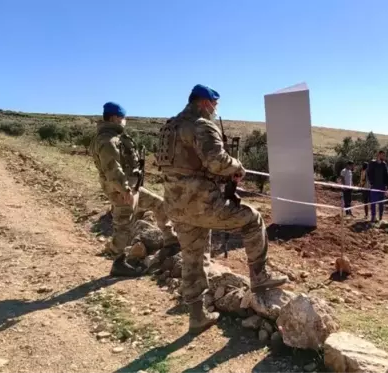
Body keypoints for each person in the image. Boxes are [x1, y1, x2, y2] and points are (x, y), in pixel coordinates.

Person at [155, 84, 288, 333]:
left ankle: (197, 316)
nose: (216, 109)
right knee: (252, 220)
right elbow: (217, 161)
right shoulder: (201, 125)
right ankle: (259, 276)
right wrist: (237, 166)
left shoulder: (169, 127)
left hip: (176, 204)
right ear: (204, 103)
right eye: (214, 104)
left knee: (193, 256)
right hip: (202, 204)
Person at [90, 102, 178, 258]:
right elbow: (113, 169)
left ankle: (170, 239)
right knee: (124, 225)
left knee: (159, 204)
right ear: (114, 118)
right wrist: (125, 190)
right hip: (122, 190)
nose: (125, 120)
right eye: (123, 117)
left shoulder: (113, 137)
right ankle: (118, 259)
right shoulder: (107, 141)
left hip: (130, 187)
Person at [367, 150, 388, 222]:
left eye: (384, 155)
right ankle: (373, 216)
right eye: (382, 155)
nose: (384, 157)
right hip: (374, 186)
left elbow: (387, 175)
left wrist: (387, 184)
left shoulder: (384, 164)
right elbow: (369, 173)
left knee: (381, 203)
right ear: (378, 155)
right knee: (373, 202)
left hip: (382, 186)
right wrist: (371, 182)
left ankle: (380, 217)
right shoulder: (372, 163)